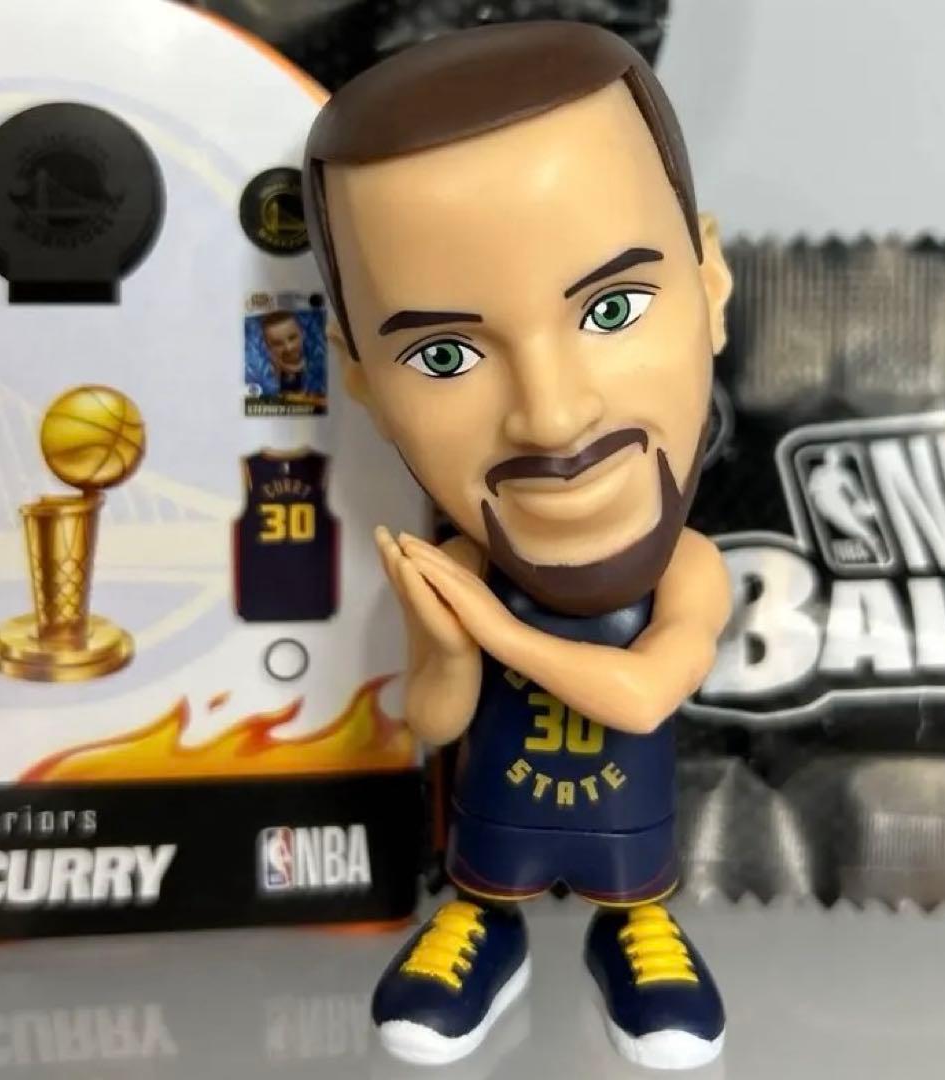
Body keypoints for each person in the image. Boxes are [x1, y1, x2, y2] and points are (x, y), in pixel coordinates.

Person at [304, 21, 732, 1070]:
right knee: (483, 878)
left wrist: (493, 628)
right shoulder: (463, 569)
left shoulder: (687, 569)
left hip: (629, 841)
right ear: (362, 381)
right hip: (493, 832)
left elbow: (644, 696)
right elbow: (436, 719)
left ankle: (634, 934)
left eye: (614, 308)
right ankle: (482, 929)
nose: (550, 415)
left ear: (711, 283)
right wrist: (448, 647)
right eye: (446, 356)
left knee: (634, 893)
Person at [259, 311, 308, 395]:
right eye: (278, 344)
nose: (288, 348)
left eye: (292, 338)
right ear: (267, 347)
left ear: (302, 334)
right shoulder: (265, 377)